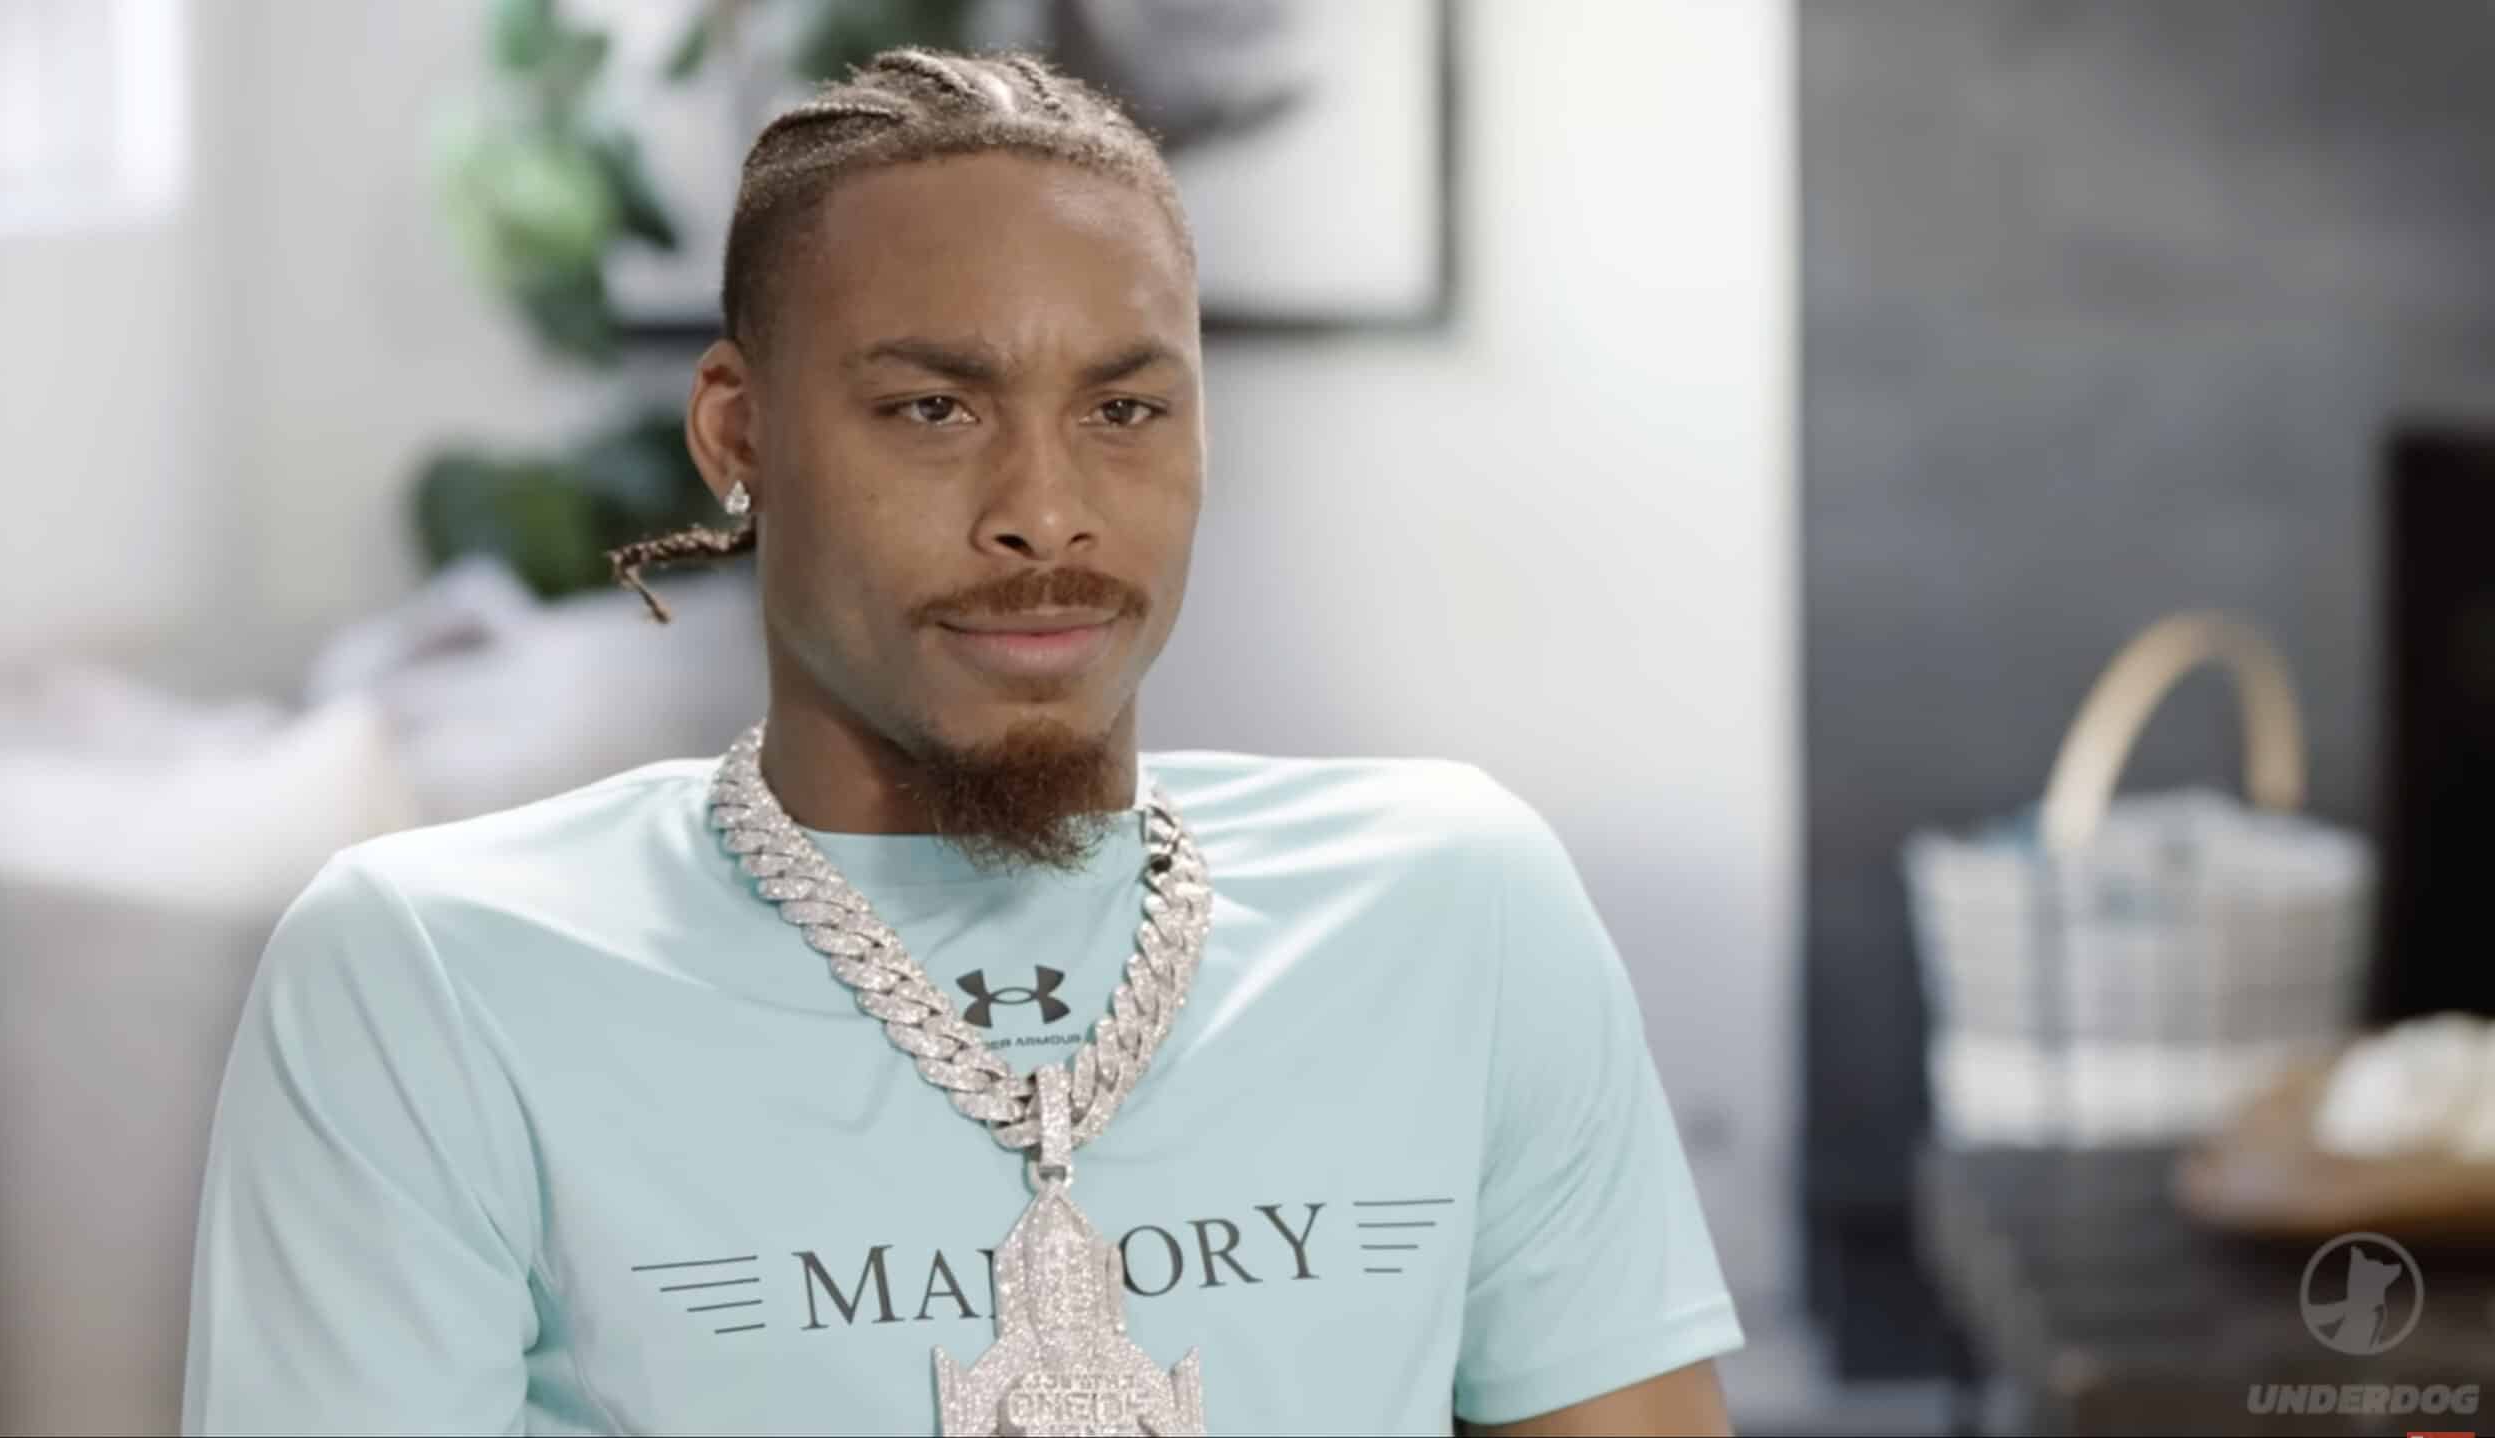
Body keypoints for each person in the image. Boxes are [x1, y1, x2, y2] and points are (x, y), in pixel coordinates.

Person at [182, 46, 1743, 1437]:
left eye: (1124, 411)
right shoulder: (437, 981)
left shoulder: (1458, 914)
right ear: (737, 435)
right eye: (935, 410)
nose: (1045, 513)